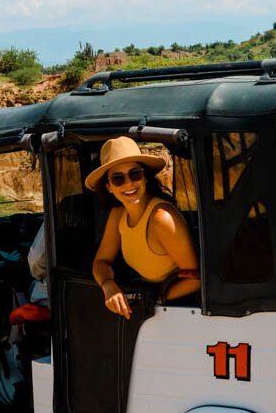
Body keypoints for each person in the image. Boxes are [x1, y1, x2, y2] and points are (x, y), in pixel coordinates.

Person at [85, 136, 200, 319]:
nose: (129, 183)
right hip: (152, 301)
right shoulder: (118, 215)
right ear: (108, 187)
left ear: (145, 177)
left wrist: (152, 299)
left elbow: (195, 280)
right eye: (118, 179)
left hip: (180, 308)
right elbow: (101, 261)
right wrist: (107, 285)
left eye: (135, 174)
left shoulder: (161, 219)